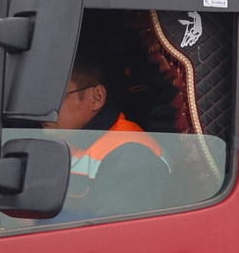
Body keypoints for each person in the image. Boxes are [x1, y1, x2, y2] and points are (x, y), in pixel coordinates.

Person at [45, 37, 168, 221]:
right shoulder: (66, 139)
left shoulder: (131, 153)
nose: (44, 107)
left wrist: (33, 221)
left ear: (97, 97)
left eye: (57, 96)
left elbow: (116, 237)